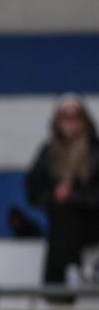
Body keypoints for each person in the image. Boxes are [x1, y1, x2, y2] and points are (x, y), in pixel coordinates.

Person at [26, 94, 99, 294]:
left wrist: (73, 194)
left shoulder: (95, 151)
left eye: (74, 116)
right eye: (64, 116)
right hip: (62, 222)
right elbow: (33, 189)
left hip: (92, 221)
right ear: (57, 121)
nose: (70, 122)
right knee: (63, 217)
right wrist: (55, 195)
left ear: (84, 119)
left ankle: (57, 286)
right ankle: (66, 277)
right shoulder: (49, 152)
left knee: (66, 216)